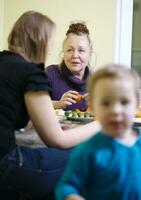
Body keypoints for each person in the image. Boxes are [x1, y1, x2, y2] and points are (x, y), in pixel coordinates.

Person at [0, 11, 101, 200]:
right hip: (7, 162)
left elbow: (10, 115)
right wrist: (103, 122)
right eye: (52, 43)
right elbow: (58, 140)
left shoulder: (4, 61)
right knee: (88, 155)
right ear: (40, 41)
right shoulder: (31, 72)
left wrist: (47, 120)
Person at [55, 64, 141, 200]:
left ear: (136, 105)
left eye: (124, 102)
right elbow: (66, 186)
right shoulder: (88, 151)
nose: (116, 110)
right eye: (106, 103)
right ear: (92, 107)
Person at [45, 21, 93, 111]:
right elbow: (34, 106)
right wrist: (58, 104)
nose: (75, 55)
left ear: (89, 53)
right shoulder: (50, 74)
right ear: (64, 53)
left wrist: (98, 105)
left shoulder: (96, 82)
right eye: (70, 50)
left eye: (81, 50)